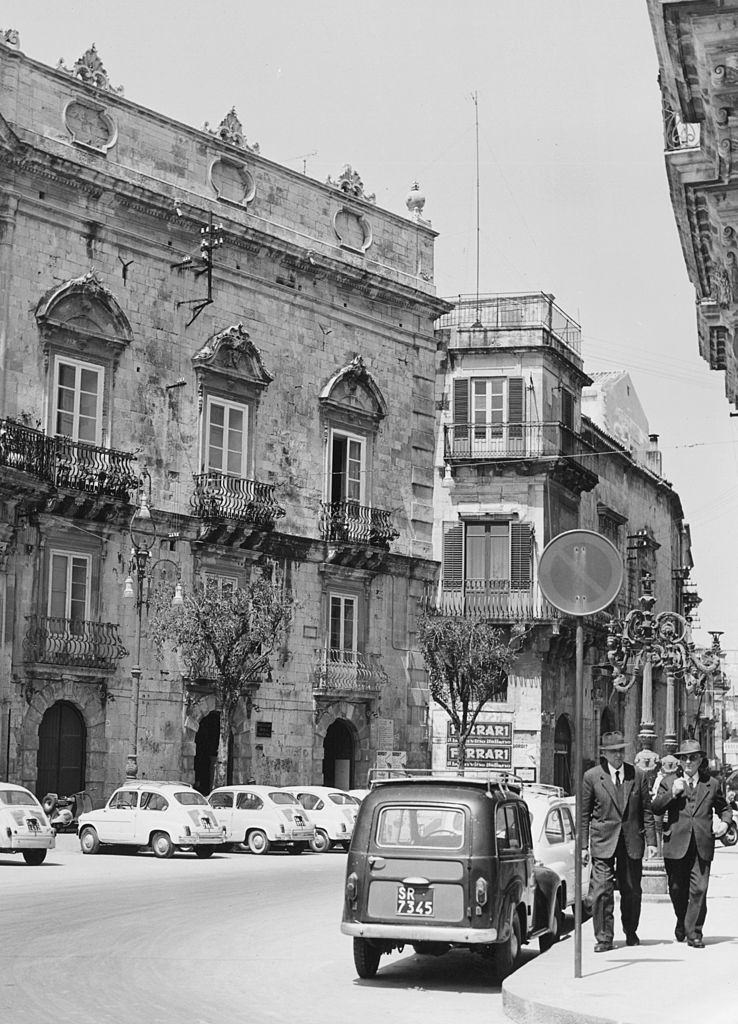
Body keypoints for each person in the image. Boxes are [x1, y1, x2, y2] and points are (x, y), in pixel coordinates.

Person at [652, 738, 733, 947]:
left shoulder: (712, 784)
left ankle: (694, 932)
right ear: (679, 761)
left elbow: (724, 808)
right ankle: (682, 920)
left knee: (699, 889)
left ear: (700, 760)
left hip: (702, 844)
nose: (688, 762)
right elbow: (656, 807)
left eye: (692, 758)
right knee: (677, 888)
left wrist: (724, 823)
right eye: (684, 758)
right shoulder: (669, 782)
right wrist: (672, 793)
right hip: (676, 844)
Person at [581, 731, 657, 952]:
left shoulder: (638, 776)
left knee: (632, 891)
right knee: (602, 891)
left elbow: (646, 811)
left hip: (631, 841)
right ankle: (604, 938)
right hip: (603, 841)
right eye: (613, 752)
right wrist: (583, 847)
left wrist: (651, 842)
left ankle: (630, 930)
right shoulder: (592, 777)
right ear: (604, 754)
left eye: (621, 751)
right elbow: (584, 815)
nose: (618, 756)